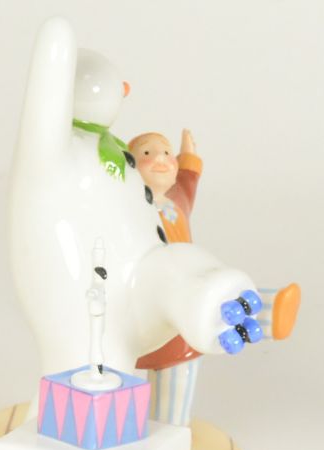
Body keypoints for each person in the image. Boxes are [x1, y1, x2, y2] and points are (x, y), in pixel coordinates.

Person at [128, 130, 301, 427]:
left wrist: (188, 157)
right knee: (119, 374)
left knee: (179, 370)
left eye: (166, 153)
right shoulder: (126, 207)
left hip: (185, 302)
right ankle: (266, 312)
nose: (160, 159)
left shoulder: (176, 201)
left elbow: (187, 180)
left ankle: (172, 434)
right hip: (142, 305)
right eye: (146, 153)